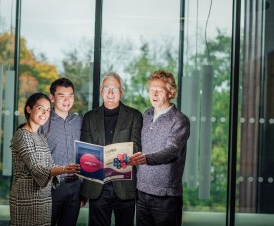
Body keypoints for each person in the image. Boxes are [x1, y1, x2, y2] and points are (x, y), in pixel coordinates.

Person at [80, 72, 143, 226]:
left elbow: (137, 147)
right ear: (101, 91)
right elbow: (85, 152)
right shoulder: (89, 117)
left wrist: (113, 155)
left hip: (125, 186)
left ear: (121, 92)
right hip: (97, 187)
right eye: (106, 88)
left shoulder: (135, 116)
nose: (110, 93)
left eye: (114, 89)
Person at [129, 69, 190, 226]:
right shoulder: (146, 115)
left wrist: (146, 159)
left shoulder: (179, 120)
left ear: (170, 93)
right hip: (141, 191)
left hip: (166, 196)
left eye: (159, 91)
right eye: (151, 90)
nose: (154, 95)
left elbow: (172, 150)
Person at [9, 92, 80, 226]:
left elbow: (50, 163)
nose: (45, 113)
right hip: (26, 200)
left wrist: (66, 167)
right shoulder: (22, 135)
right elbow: (38, 170)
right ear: (29, 109)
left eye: (48, 110)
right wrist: (64, 169)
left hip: (43, 200)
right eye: (40, 108)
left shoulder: (40, 136)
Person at [40, 78, 83, 226]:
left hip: (75, 187)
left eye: (70, 95)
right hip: (50, 188)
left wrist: (83, 189)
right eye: (62, 95)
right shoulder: (42, 121)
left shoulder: (79, 121)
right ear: (51, 97)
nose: (67, 100)